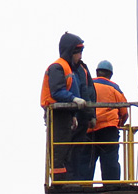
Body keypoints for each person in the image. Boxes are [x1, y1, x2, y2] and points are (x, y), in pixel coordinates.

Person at [40, 32, 96, 182]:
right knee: (60, 149)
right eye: (79, 53)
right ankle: (60, 182)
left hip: (65, 115)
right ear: (71, 52)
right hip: (57, 115)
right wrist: (74, 99)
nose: (80, 57)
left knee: (66, 150)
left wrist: (72, 115)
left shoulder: (67, 68)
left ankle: (65, 180)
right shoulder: (58, 67)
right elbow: (57, 91)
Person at [87, 60, 128, 181]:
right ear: (110, 74)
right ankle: (111, 185)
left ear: (97, 72)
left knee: (86, 161)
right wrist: (119, 124)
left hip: (89, 128)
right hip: (108, 129)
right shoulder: (114, 88)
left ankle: (83, 184)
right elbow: (124, 111)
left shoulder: (88, 86)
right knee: (110, 160)